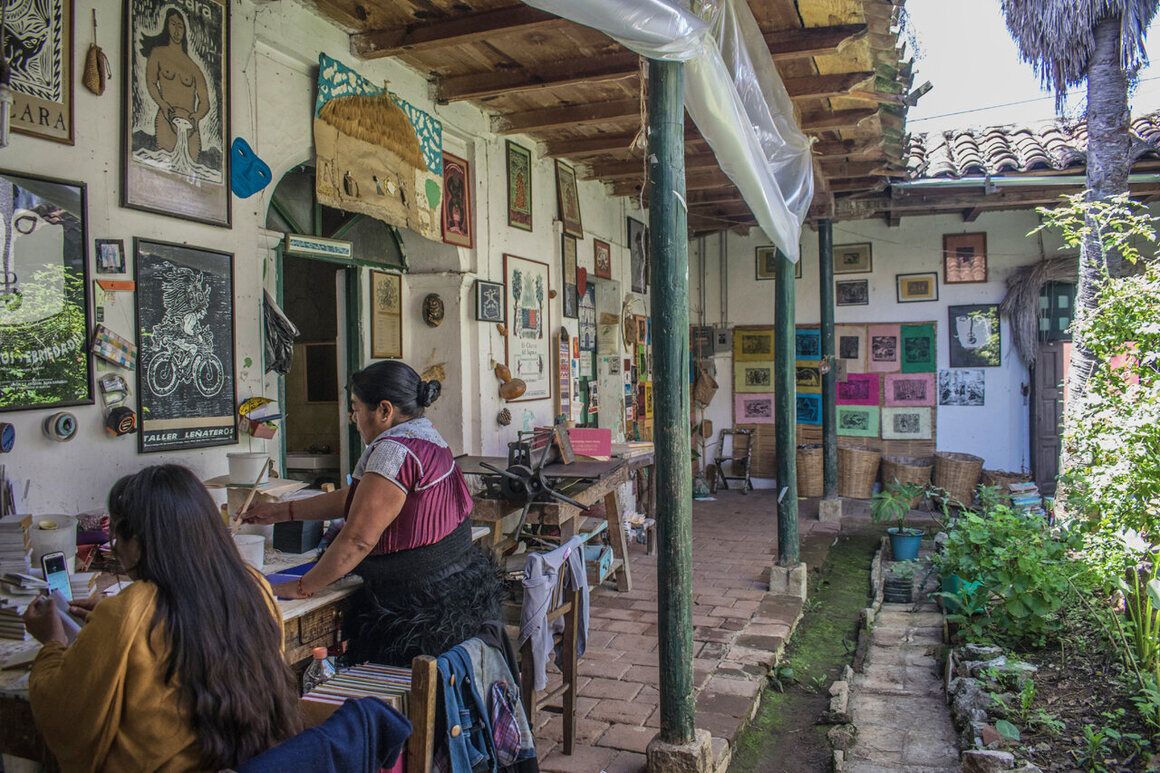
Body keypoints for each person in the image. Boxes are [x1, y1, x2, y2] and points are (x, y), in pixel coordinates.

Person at [22, 465, 301, 771]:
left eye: (117, 536)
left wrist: (52, 642)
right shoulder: (252, 585)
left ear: (137, 540)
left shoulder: (128, 611)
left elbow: (64, 714)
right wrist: (105, 624)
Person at [243, 360, 503, 666]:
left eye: (355, 407)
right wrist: (279, 512)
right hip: (453, 587)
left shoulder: (394, 452)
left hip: (419, 608)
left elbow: (357, 541)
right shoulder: (425, 437)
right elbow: (360, 498)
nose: (353, 418)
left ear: (383, 410)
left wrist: (302, 587)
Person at [140, 8, 211, 162]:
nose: (177, 30)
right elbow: (151, 83)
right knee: (163, 164)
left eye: (180, 26)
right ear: (167, 26)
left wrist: (196, 117)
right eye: (173, 24)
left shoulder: (193, 67)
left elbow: (205, 102)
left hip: (190, 126)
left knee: (190, 170)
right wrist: (163, 105)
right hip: (166, 117)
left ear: (184, 30)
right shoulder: (158, 53)